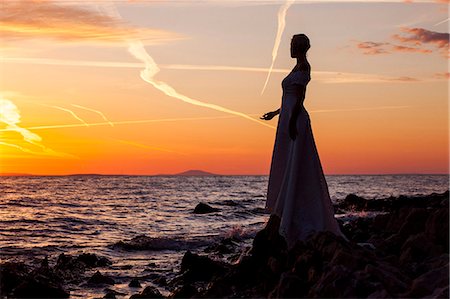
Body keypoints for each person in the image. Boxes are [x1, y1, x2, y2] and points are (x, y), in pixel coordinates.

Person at [261, 34, 347, 248]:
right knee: (286, 162)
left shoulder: (304, 67)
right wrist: (276, 112)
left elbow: (300, 98)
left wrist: (290, 121)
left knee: (297, 163)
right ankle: (286, 208)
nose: (289, 49)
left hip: (295, 120)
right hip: (287, 118)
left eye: (291, 45)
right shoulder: (296, 68)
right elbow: (288, 98)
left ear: (298, 47)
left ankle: (295, 215)